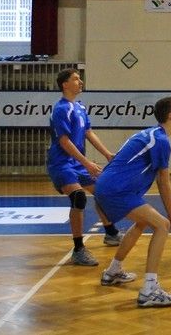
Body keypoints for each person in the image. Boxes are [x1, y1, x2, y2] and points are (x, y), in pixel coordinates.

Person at [95, 97, 171, 307]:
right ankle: (149, 290)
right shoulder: (160, 140)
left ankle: (113, 271)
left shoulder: (150, 134)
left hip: (110, 187)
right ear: (170, 116)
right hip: (117, 190)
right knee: (162, 225)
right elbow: (163, 183)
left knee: (143, 221)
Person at [47, 68, 122, 266]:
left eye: (80, 79)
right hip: (61, 163)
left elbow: (89, 132)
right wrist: (87, 163)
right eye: (76, 79)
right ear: (65, 84)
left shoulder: (79, 107)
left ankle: (111, 233)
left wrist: (107, 154)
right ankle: (78, 249)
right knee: (79, 197)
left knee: (103, 192)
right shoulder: (61, 109)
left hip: (77, 163)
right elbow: (64, 141)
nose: (80, 82)